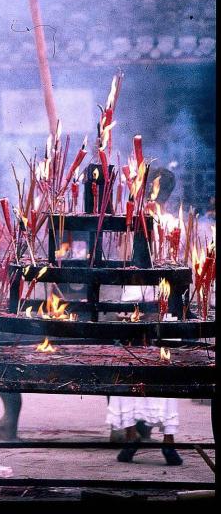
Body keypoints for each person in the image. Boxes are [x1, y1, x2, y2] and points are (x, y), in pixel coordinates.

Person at [106, 168, 182, 466]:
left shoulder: (153, 221)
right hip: (146, 298)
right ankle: (160, 439)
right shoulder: (145, 220)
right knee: (151, 367)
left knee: (136, 365)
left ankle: (138, 436)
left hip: (151, 299)